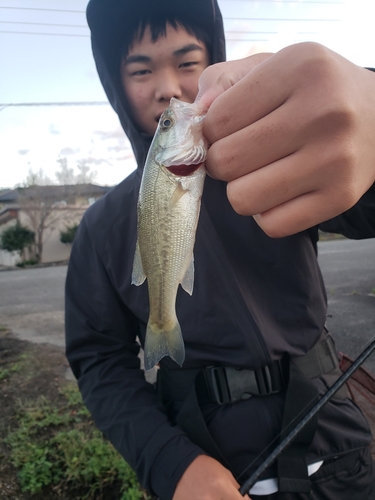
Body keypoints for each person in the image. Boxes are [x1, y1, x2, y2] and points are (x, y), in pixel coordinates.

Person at [65, 0, 375, 499]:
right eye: (141, 69)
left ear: (216, 63)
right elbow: (100, 362)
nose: (168, 87)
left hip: (335, 450)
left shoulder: (286, 160)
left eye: (187, 62)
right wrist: (171, 464)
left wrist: (370, 117)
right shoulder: (101, 225)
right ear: (115, 84)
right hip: (203, 456)